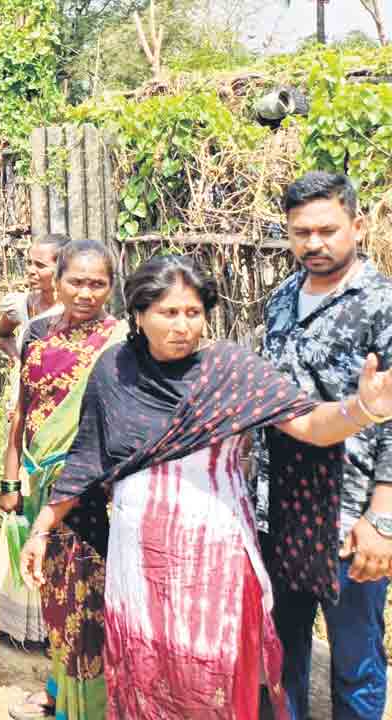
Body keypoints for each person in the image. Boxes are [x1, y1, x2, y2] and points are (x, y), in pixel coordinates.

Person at [20, 254, 392, 719]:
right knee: (143, 669)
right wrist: (42, 527)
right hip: (137, 562)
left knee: (210, 676)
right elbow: (86, 458)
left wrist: (363, 410)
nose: (182, 326)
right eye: (168, 313)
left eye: (193, 313)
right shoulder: (114, 370)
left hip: (215, 561)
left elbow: (312, 425)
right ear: (139, 314)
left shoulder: (230, 370)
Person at [256, 172, 392, 720]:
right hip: (278, 508)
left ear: (357, 226)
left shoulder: (383, 304)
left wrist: (382, 517)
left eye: (327, 230)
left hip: (349, 512)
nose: (313, 243)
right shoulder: (281, 300)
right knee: (279, 649)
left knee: (356, 658)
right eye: (301, 232)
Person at [0, 240, 124, 720]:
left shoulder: (118, 344)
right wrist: (11, 481)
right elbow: (23, 410)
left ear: (111, 287)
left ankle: (85, 709)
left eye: (98, 284)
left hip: (90, 493)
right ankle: (55, 690)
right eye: (77, 281)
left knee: (86, 606)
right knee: (54, 599)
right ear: (59, 280)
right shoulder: (36, 333)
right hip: (36, 484)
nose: (86, 293)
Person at [0, 234, 70, 419]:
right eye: (29, 262)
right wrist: (19, 359)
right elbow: (2, 335)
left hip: (59, 408)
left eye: (40, 265)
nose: (30, 270)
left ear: (62, 268)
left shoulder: (72, 313)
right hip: (21, 404)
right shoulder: (21, 305)